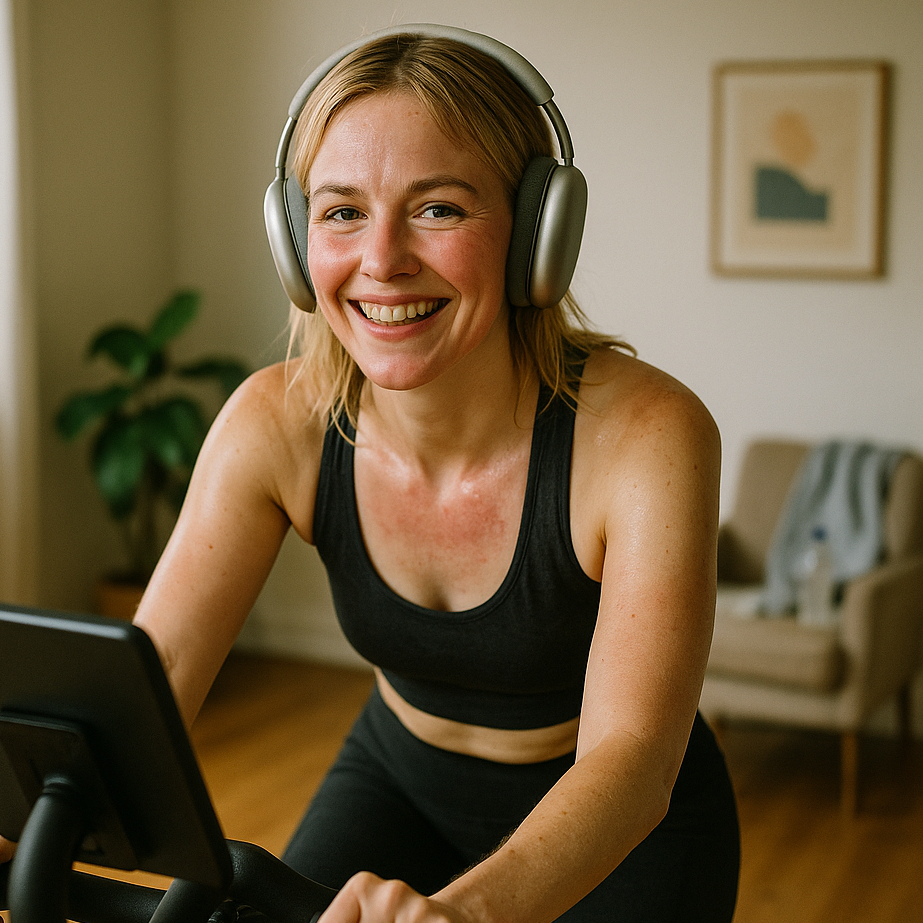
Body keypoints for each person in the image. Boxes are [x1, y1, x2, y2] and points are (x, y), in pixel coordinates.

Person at [1, 25, 739, 922]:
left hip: (622, 826)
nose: (381, 259)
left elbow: (631, 759)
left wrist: (461, 915)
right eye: (342, 211)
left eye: (438, 208)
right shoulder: (276, 424)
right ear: (295, 240)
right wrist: (20, 825)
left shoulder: (647, 435)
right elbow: (149, 683)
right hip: (396, 776)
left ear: (534, 233)